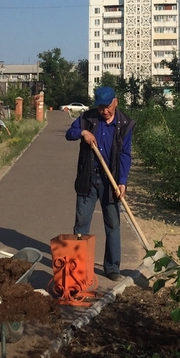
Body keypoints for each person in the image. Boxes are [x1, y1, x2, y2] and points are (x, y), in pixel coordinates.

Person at [65, 85, 135, 282]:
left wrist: (122, 181)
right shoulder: (88, 118)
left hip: (110, 180)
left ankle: (112, 267)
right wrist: (82, 133)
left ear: (116, 102)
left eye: (107, 107)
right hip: (88, 178)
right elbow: (69, 133)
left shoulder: (125, 124)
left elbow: (125, 155)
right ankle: (79, 267)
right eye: (101, 107)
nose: (104, 111)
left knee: (113, 224)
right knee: (81, 223)